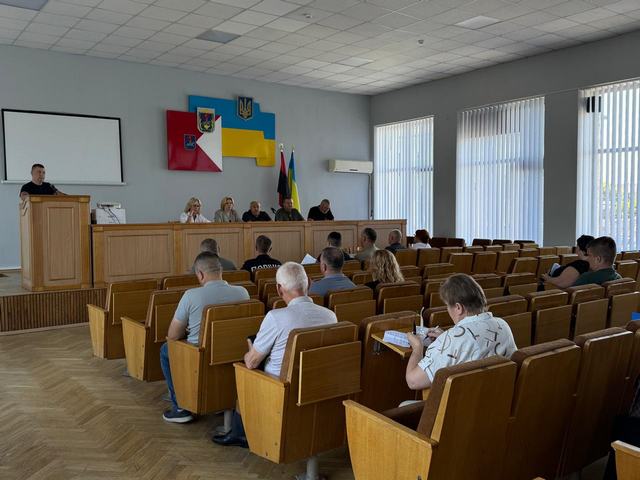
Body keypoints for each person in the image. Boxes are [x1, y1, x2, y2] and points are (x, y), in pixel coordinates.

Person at [213, 262, 337, 447]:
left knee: (243, 369)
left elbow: (252, 363)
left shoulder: (275, 317)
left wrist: (250, 346)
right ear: (309, 283)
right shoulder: (330, 316)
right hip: (316, 382)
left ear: (279, 289)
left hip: (279, 386)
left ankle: (241, 433)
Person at [161, 252, 250, 423]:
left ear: (200, 274)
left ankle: (180, 407)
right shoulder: (243, 292)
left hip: (200, 355)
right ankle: (222, 400)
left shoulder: (191, 295)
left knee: (166, 350)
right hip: (235, 353)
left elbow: (172, 336)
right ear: (220, 270)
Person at [405, 274, 517, 391]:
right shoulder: (502, 324)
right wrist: (446, 338)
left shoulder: (453, 339)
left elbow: (413, 382)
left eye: (447, 305)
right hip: (500, 395)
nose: (448, 310)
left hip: (464, 400)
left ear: (458, 307)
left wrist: (417, 347)